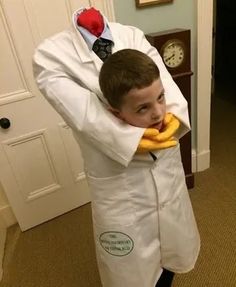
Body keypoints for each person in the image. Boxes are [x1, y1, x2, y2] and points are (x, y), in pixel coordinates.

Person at [32, 7, 200, 286]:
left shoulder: (131, 35)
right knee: (131, 265)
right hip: (118, 177)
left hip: (165, 163)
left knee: (171, 246)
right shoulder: (51, 56)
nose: (157, 113)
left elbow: (164, 88)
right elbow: (87, 116)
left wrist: (172, 118)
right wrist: (136, 139)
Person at [98, 48, 200, 287]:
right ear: (116, 113)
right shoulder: (108, 142)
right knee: (139, 273)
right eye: (143, 108)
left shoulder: (167, 125)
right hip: (134, 217)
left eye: (161, 98)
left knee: (171, 261)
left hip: (170, 204)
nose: (158, 113)